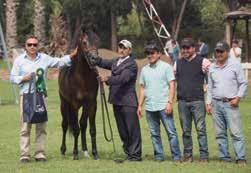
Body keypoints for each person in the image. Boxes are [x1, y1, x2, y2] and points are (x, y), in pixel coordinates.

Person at [10, 35, 76, 163]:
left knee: (41, 125)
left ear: (38, 46)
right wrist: (23, 78)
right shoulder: (19, 60)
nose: (32, 47)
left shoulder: (44, 58)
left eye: (35, 44)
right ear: (25, 46)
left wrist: (73, 55)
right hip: (26, 97)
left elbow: (59, 62)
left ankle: (39, 154)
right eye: (30, 45)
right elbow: (12, 78)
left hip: (41, 96)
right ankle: (24, 155)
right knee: (25, 126)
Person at [90, 39, 142, 162]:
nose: (121, 50)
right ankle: (129, 153)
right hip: (117, 101)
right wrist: (95, 59)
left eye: (124, 48)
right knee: (122, 130)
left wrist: (107, 78)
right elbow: (104, 62)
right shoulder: (116, 61)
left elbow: (123, 78)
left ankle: (135, 156)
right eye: (120, 47)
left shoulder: (131, 64)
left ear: (129, 50)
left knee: (132, 129)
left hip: (128, 102)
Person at [137, 42, 181, 162]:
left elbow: (172, 85)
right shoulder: (144, 70)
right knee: (154, 134)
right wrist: (140, 105)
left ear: (159, 54)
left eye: (152, 53)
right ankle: (159, 156)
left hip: (164, 106)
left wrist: (169, 102)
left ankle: (176, 157)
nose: (149, 55)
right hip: (150, 107)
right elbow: (142, 89)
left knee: (171, 133)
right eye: (147, 53)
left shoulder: (166, 67)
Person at [206, 41, 247, 165]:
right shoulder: (212, 67)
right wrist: (208, 103)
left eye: (221, 51)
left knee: (236, 132)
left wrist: (238, 98)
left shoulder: (235, 65)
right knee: (219, 133)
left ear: (227, 52)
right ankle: (224, 157)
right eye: (217, 51)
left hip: (231, 104)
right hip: (216, 103)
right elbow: (210, 86)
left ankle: (240, 158)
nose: (218, 54)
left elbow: (243, 84)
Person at [174, 38, 211, 163]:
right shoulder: (177, 63)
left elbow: (213, 77)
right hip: (182, 102)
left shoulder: (203, 62)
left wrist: (207, 87)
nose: (185, 50)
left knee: (201, 130)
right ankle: (188, 156)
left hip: (198, 101)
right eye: (183, 48)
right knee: (185, 131)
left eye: (187, 48)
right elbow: (171, 81)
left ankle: (204, 157)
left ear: (193, 48)